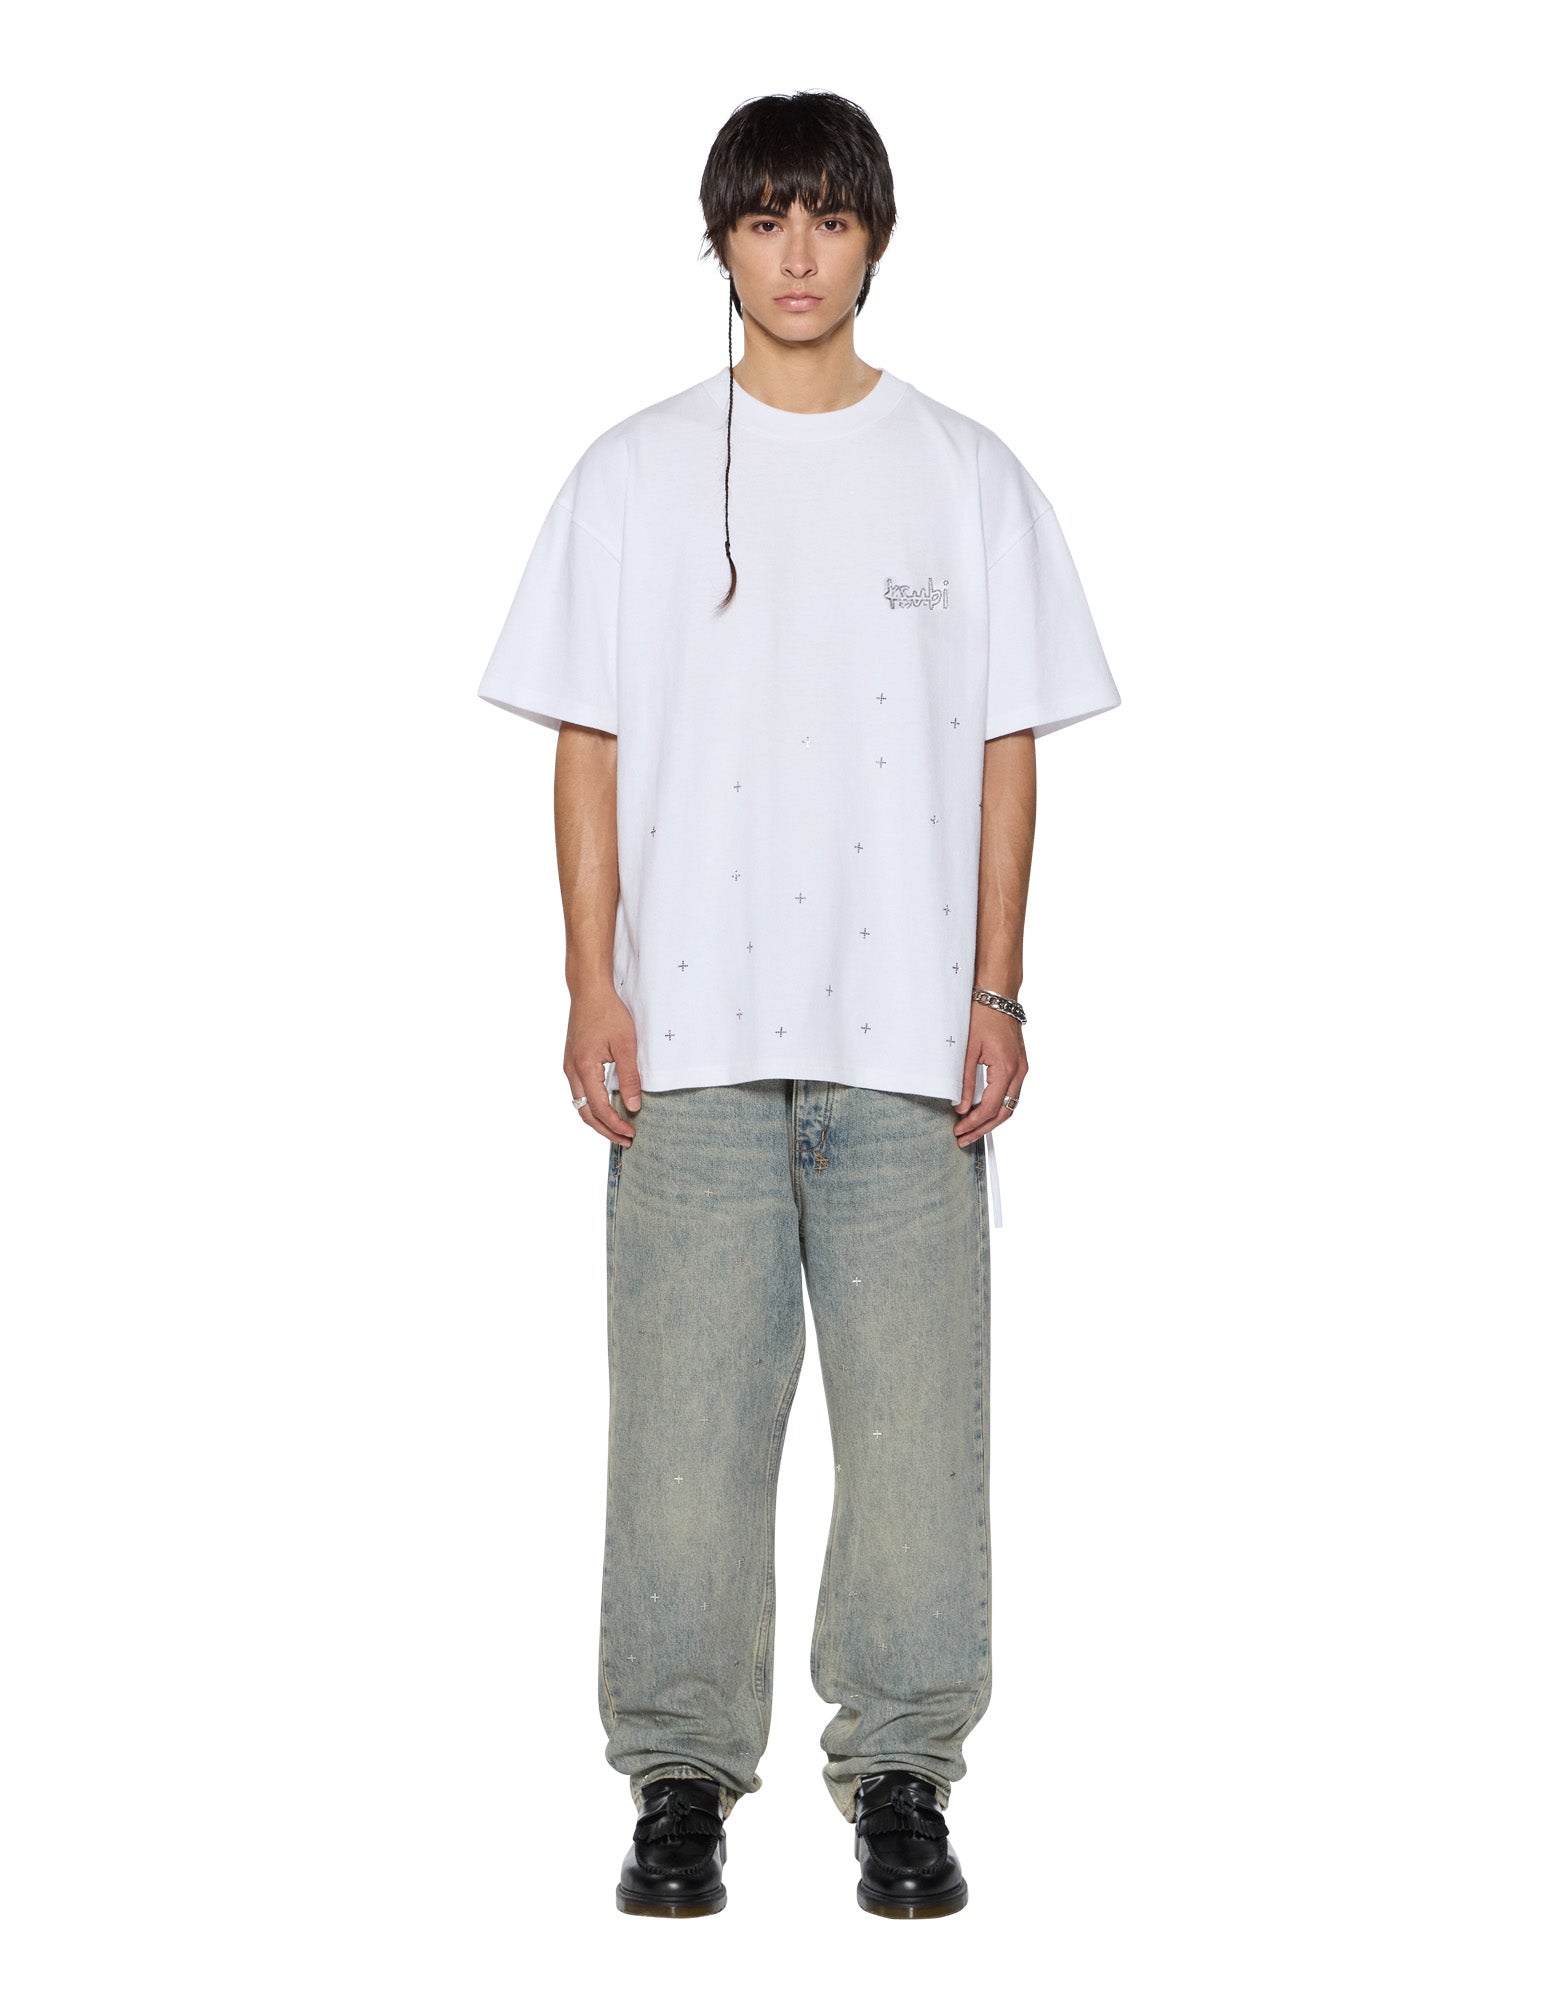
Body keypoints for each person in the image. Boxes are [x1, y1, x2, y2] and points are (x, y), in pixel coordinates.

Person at [478, 90, 1120, 1920]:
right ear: (721, 242)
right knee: (681, 1437)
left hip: (907, 1038)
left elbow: (1007, 749)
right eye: (763, 219)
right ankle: (680, 1778)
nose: (797, 254)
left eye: (828, 217)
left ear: (875, 236)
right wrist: (587, 978)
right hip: (687, 1039)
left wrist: (997, 988)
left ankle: (903, 1771)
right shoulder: (631, 473)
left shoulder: (965, 473)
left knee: (918, 1439)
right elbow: (588, 742)